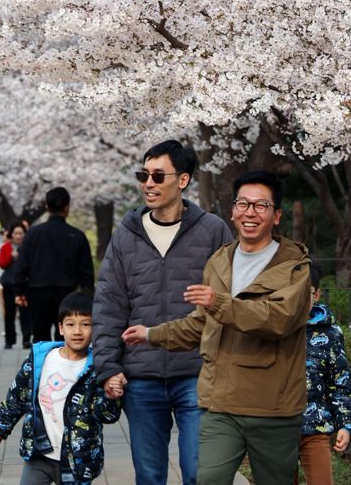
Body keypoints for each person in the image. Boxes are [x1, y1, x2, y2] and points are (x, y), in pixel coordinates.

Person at [122, 169, 312, 485]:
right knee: (206, 478)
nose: (249, 212)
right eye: (242, 204)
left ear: (276, 216)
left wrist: (218, 303)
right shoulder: (220, 260)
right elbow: (200, 324)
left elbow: (277, 319)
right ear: (232, 210)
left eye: (260, 206)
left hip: (273, 405)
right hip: (219, 402)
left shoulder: (294, 266)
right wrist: (151, 334)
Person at [92, 138, 232, 485]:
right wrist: (108, 367)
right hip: (141, 376)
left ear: (182, 180)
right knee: (150, 476)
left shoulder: (213, 231)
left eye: (158, 176)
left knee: (201, 473)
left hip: (199, 372)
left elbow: (231, 300)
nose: (148, 184)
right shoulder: (126, 235)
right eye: (144, 175)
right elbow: (109, 305)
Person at [0, 290, 121, 485]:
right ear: (60, 328)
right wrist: (0, 428)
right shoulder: (42, 358)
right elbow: (17, 396)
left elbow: (106, 415)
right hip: (39, 454)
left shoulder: (99, 368)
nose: (77, 331)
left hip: (77, 461)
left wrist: (111, 395)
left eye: (86, 324)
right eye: (70, 324)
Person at [297, 264, 351, 484]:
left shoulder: (330, 333)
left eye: (307, 293)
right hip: (277, 426)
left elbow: (340, 382)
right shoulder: (275, 327)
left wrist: (346, 425)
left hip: (315, 425)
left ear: (317, 294)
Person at [15, 187, 95, 342]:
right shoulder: (77, 236)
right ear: (67, 207)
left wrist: (18, 291)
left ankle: (41, 365)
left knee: (39, 336)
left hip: (37, 291)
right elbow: (86, 272)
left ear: (47, 207)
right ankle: (64, 365)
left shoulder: (33, 234)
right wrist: (87, 296)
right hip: (67, 293)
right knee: (65, 336)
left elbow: (22, 265)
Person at [0, 221, 32, 349]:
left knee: (26, 312)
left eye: (21, 233)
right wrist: (11, 257)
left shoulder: (28, 247)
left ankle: (26, 338)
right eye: (16, 233)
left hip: (25, 284)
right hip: (9, 284)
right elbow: (2, 264)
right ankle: (9, 340)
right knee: (9, 313)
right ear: (11, 235)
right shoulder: (5, 247)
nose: (18, 236)